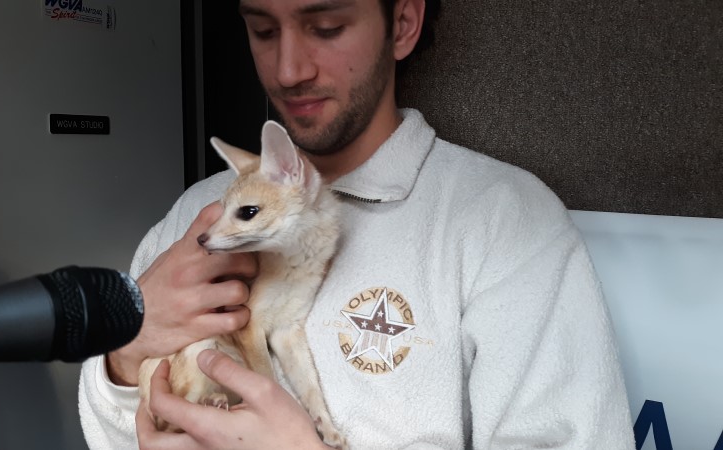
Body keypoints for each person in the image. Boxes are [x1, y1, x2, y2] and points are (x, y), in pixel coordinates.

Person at [78, 0, 636, 448]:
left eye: (325, 27)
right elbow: (107, 432)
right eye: (263, 31)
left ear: (402, 24)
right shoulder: (200, 212)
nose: (289, 71)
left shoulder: (505, 218)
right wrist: (125, 355)